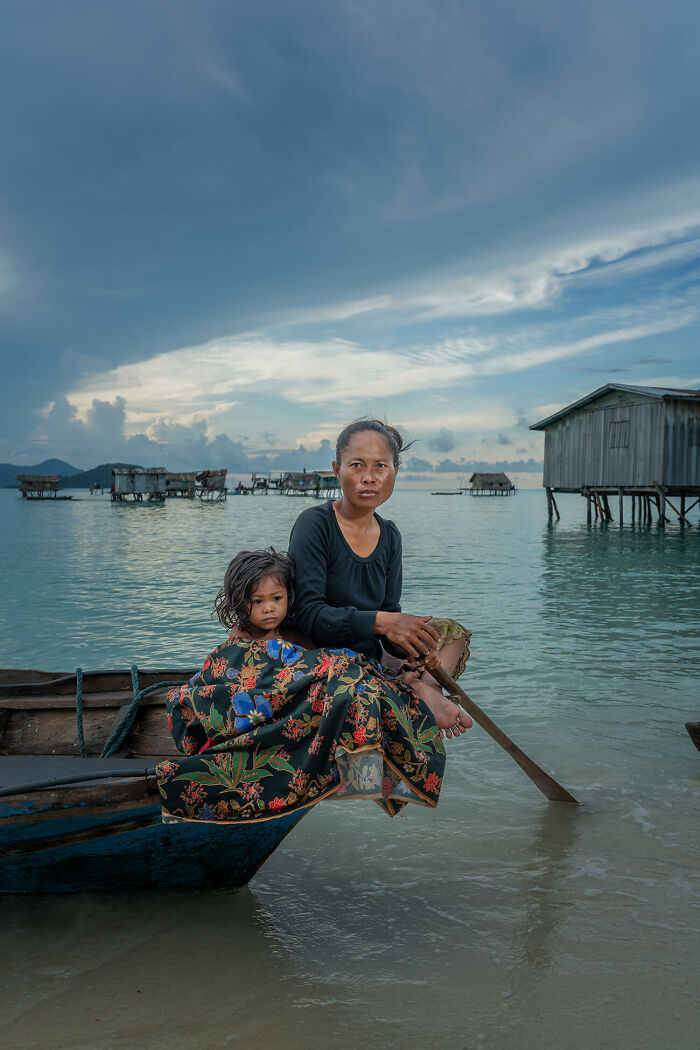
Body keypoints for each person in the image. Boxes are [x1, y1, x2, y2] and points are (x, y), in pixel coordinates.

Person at [156, 548, 448, 823]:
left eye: (276, 599)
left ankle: (372, 744)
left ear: (288, 597)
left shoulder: (292, 633)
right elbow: (242, 675)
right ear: (240, 602)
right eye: (258, 602)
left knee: (348, 677)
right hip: (259, 706)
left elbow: (307, 669)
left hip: (289, 701)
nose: (268, 609)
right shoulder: (241, 635)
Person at [288, 419, 472, 739]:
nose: (369, 478)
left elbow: (390, 608)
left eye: (381, 466)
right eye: (357, 465)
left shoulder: (390, 535)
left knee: (449, 633)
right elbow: (307, 615)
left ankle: (423, 688)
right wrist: (384, 623)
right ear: (336, 469)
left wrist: (410, 646)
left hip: (370, 652)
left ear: (395, 472)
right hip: (322, 653)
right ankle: (409, 687)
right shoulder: (315, 524)